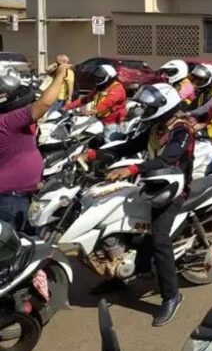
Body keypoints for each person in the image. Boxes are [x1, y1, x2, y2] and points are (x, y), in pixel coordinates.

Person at [75, 83, 191, 326]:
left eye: (150, 106)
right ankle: (117, 272)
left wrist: (131, 168)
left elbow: (167, 158)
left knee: (159, 239)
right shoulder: (155, 128)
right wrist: (94, 154)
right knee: (121, 224)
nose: (146, 109)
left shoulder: (181, 131)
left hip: (172, 191)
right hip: (150, 184)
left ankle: (172, 296)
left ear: (164, 106)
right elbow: (128, 146)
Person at [0, 64, 70, 230]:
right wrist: (60, 76)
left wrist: (52, 78)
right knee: (14, 247)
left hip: (20, 194)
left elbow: (38, 96)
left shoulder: (11, 120)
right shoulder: (8, 120)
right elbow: (44, 103)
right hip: (11, 197)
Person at [65, 64, 127, 140]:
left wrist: (93, 111)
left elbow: (107, 103)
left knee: (108, 141)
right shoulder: (100, 88)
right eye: (97, 78)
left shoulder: (117, 89)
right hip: (100, 119)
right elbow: (85, 99)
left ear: (109, 78)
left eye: (100, 78)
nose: (97, 80)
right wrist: (66, 107)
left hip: (112, 122)